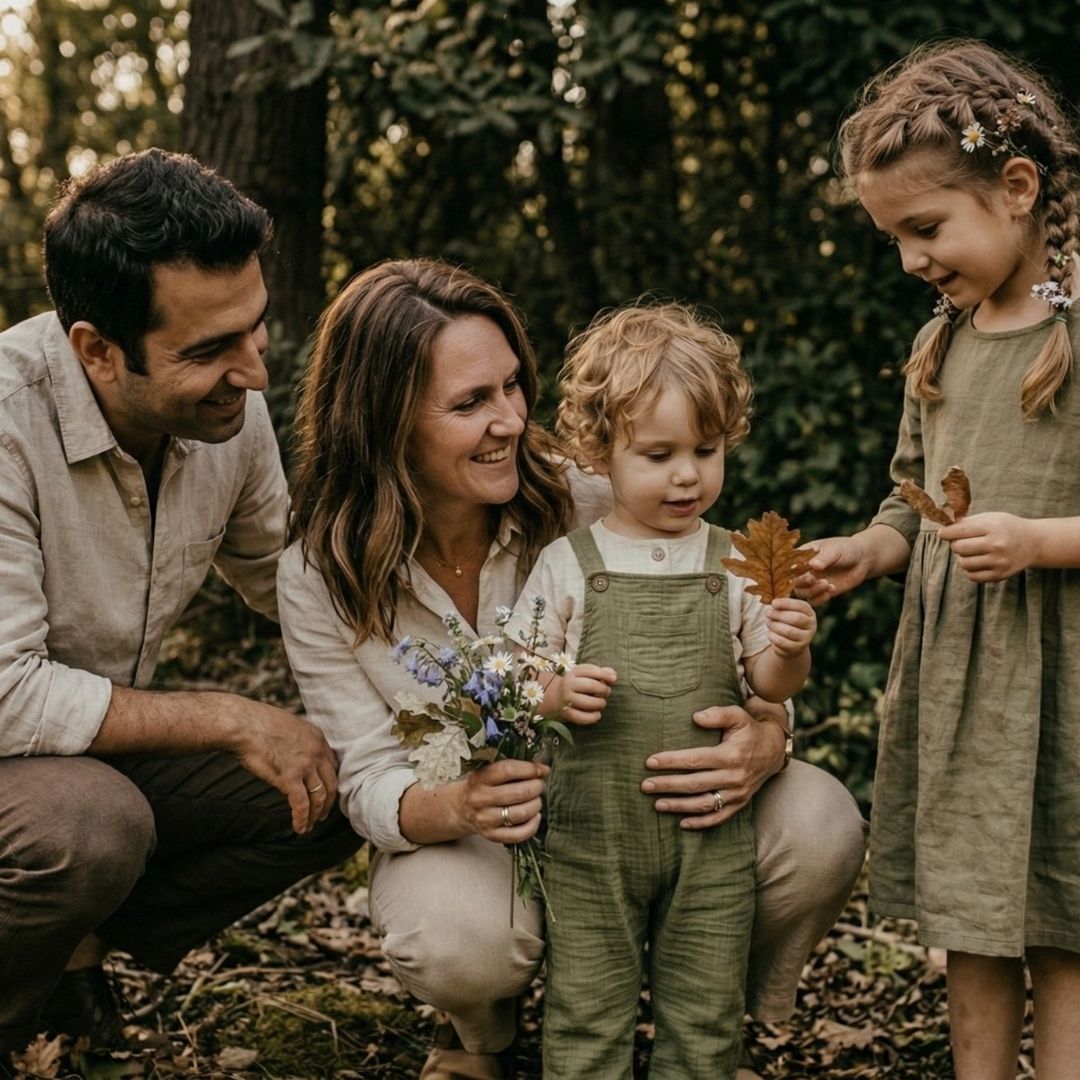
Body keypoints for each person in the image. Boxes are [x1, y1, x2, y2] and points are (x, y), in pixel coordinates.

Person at [277, 257, 865, 1080]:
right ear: (387, 419)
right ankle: (479, 1031)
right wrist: (459, 804)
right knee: (459, 942)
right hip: (486, 833)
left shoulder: (597, 496)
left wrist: (768, 732)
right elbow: (368, 775)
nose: (513, 421)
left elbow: (730, 646)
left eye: (513, 385)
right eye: (470, 403)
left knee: (821, 820)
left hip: (648, 798)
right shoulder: (321, 572)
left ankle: (699, 1004)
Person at [0, 149, 360, 1060]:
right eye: (209, 351)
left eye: (256, 330)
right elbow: (7, 697)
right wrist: (228, 717)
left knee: (346, 781)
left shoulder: (221, 414)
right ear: (96, 349)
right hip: (28, 770)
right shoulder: (7, 420)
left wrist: (475, 661)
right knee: (88, 829)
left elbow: (293, 580)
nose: (256, 373)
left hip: (87, 761)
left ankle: (63, 953)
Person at [800, 40, 1080, 1080]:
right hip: (968, 683)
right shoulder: (943, 346)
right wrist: (871, 552)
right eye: (894, 239)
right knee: (972, 907)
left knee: (1064, 908)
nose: (912, 260)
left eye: (925, 228)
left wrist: (1039, 540)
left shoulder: (1076, 330)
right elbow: (909, 498)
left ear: (1015, 188)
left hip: (1067, 673)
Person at [505, 301, 817, 1078]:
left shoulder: (738, 559)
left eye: (705, 450)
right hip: (589, 838)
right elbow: (517, 665)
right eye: (657, 454)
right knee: (586, 1008)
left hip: (710, 836)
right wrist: (552, 694)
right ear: (599, 450)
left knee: (705, 1012)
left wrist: (789, 650)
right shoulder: (570, 562)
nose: (687, 474)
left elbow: (768, 690)